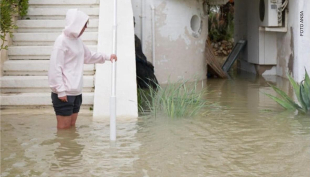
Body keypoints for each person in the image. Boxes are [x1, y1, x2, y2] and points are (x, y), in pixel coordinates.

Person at [48, 9, 117, 129]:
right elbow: (55, 67)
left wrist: (107, 57)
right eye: (84, 25)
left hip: (76, 92)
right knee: (64, 130)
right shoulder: (61, 41)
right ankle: (63, 149)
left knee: (71, 127)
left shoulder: (77, 41)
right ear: (75, 24)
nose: (85, 29)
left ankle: (72, 149)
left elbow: (88, 56)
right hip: (64, 94)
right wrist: (60, 90)